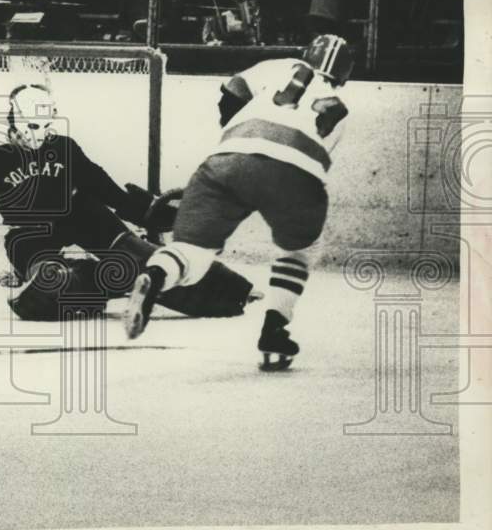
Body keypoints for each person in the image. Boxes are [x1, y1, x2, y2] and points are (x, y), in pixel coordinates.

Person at [0, 85, 257, 322]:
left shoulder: (64, 148)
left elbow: (106, 191)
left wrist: (152, 214)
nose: (42, 134)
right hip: (28, 233)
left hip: (80, 214)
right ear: (15, 122)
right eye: (33, 127)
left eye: (46, 126)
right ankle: (96, 279)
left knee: (143, 256)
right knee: (49, 282)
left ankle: (233, 289)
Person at [123, 35, 354, 371]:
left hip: (227, 159)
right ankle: (275, 330)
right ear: (344, 74)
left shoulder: (278, 67)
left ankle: (157, 274)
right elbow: (308, 157)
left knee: (193, 250)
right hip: (296, 171)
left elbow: (233, 89)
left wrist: (232, 131)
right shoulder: (341, 110)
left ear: (306, 55)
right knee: (298, 252)